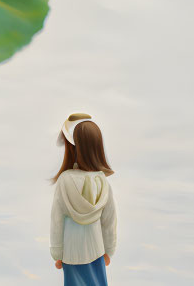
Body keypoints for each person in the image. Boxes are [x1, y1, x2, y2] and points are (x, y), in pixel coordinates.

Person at [50, 113, 117, 285]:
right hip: (97, 251)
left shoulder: (65, 181)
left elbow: (56, 221)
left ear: (73, 148)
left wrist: (57, 254)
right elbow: (109, 221)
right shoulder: (103, 182)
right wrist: (108, 251)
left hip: (72, 252)